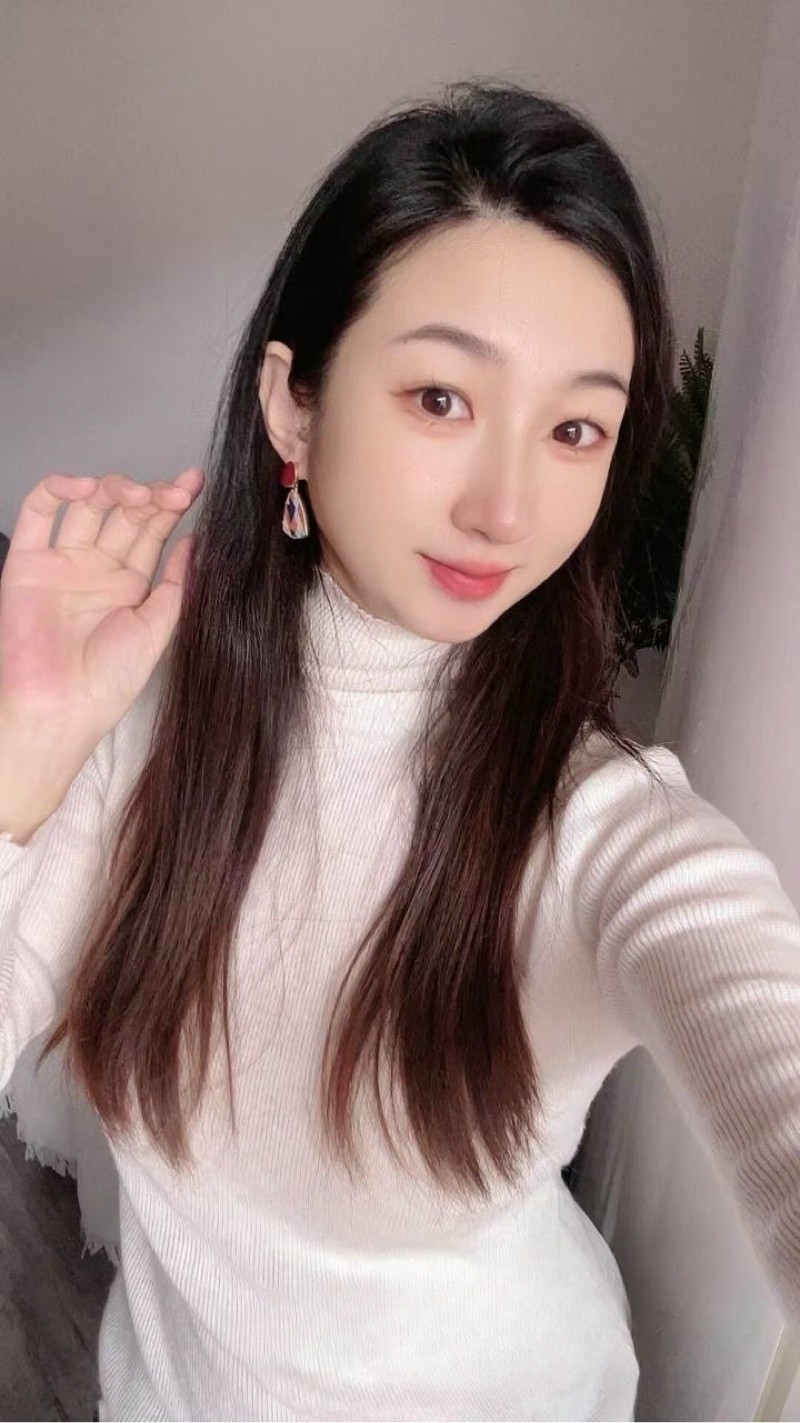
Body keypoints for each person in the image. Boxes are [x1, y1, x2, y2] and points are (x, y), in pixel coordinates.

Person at [0, 77, 798, 1423]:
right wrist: (23, 748)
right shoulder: (150, 733)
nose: (507, 506)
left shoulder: (602, 829)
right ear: (293, 406)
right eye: (440, 398)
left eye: (576, 429)